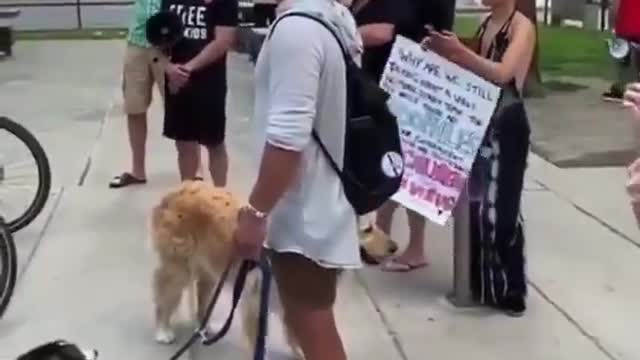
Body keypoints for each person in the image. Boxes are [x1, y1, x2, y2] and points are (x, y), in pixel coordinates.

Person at [232, 0, 362, 359]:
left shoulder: (297, 30)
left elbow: (288, 141)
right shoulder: (332, 17)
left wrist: (256, 213)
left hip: (303, 215)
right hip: (320, 203)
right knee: (308, 324)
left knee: (314, 329)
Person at [422, 0, 535, 316]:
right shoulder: (487, 24)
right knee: (477, 204)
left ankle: (512, 286)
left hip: (508, 123)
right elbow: (475, 72)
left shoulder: (520, 26)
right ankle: (484, 282)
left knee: (504, 206)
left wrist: (458, 51)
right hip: (482, 121)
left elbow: (501, 73)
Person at [353, 0, 454, 272]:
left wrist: (344, 33)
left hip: (409, 87)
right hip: (398, 85)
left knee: (406, 170)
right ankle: (382, 237)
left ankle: (411, 247)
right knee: (397, 168)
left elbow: (385, 31)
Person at [162, 0, 238, 184]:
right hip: (177, 81)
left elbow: (223, 40)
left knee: (214, 143)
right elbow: (157, 40)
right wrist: (168, 67)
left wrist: (188, 68)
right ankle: (188, 197)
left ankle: (221, 198)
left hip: (210, 81)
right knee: (184, 144)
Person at [110, 0, 165, 188]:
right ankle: (137, 171)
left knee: (181, 108)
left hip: (169, 40)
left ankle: (194, 171)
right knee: (134, 107)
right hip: (138, 41)